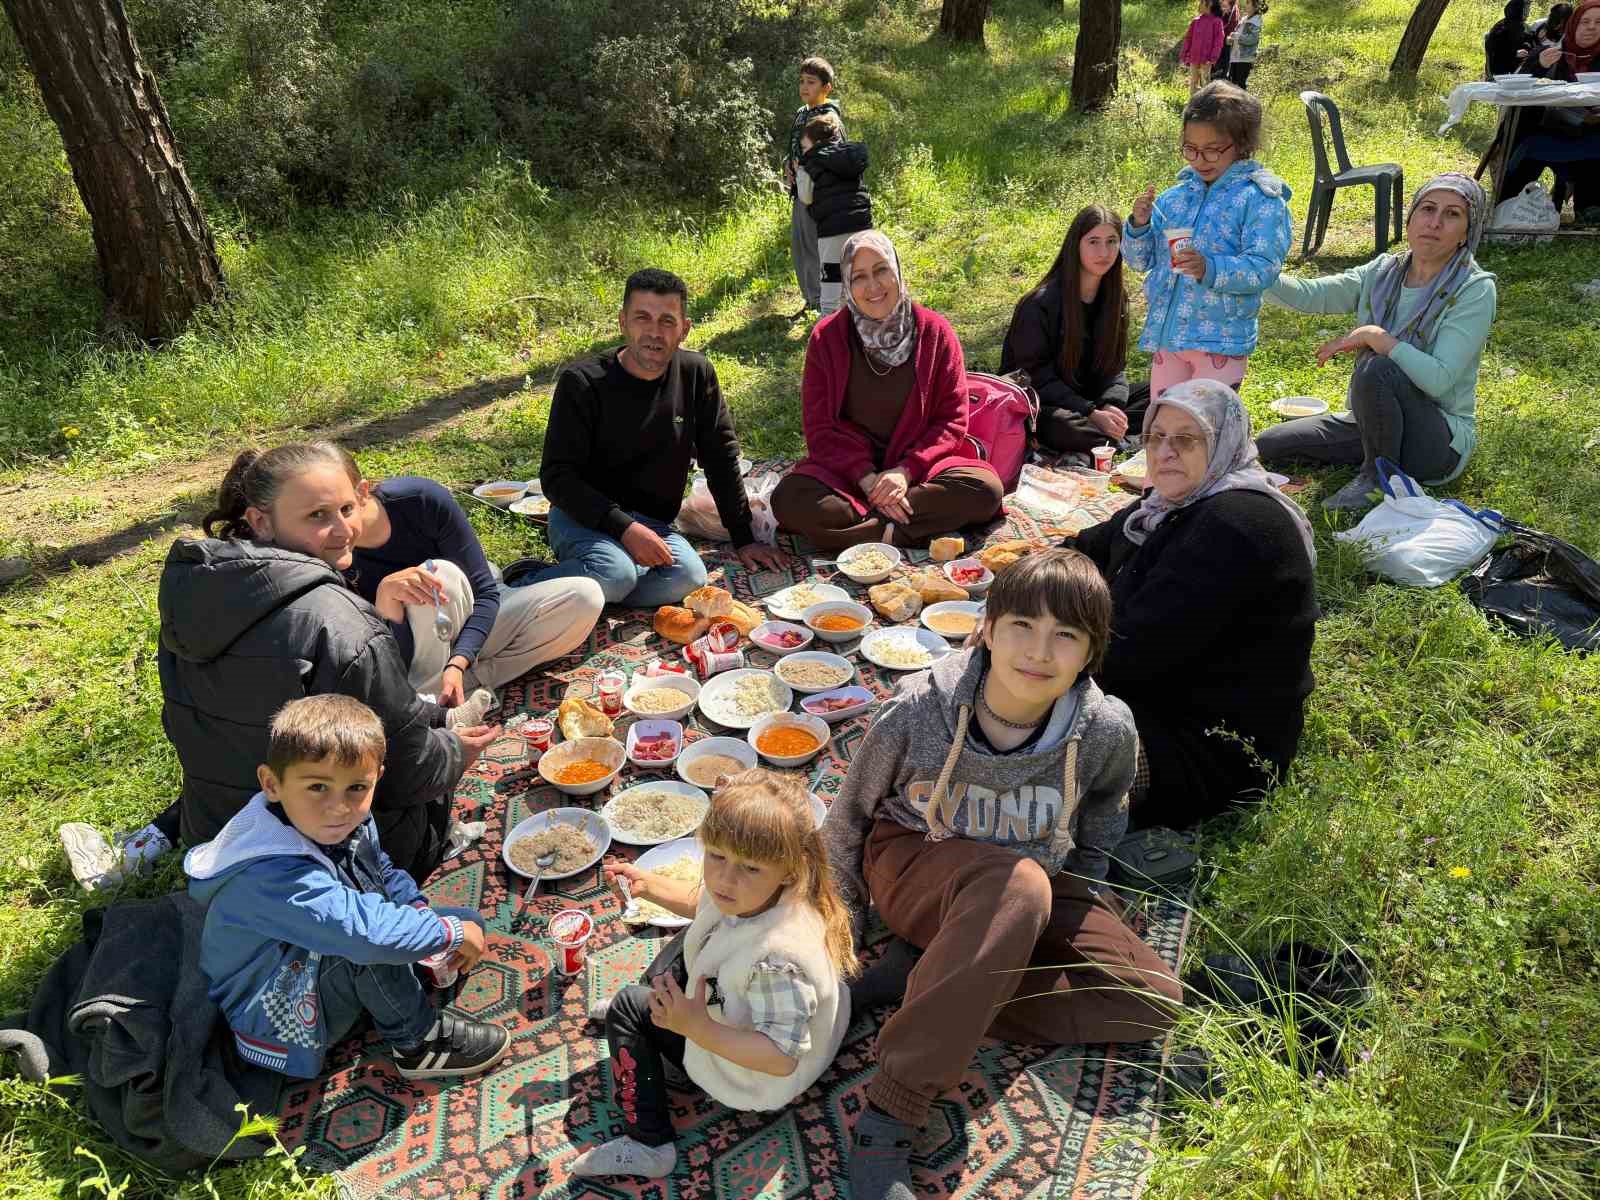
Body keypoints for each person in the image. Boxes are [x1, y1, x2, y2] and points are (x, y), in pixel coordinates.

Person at [820, 549, 1182, 1200]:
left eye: (1065, 636)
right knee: (1017, 886)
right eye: (1022, 625)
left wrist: (1089, 886)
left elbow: (1106, 805)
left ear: (1089, 653)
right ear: (986, 627)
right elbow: (849, 813)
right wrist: (843, 923)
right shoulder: (919, 708)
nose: (1039, 651)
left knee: (1152, 1000)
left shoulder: (1104, 728)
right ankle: (891, 1111)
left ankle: (927, 978)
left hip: (1029, 887)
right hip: (915, 863)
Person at [159, 442, 498, 880]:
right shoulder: (339, 621)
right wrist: (455, 752)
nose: (341, 530)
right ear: (260, 522)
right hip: (323, 857)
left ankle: (437, 719)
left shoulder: (190, 602)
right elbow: (409, 775)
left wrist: (433, 718)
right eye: (317, 516)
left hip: (218, 840)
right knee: (425, 782)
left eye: (345, 509)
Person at [185, 695, 510, 1081]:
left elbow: (382, 871)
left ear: (376, 778)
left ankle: (391, 989)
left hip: (317, 952)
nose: (339, 807)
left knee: (462, 921)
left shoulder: (343, 820)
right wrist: (445, 933)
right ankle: (418, 1044)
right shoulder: (271, 871)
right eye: (318, 787)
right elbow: (363, 934)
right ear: (272, 783)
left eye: (357, 787)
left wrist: (419, 911)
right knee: (371, 946)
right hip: (277, 1009)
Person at [573, 770, 857, 1179]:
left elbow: (780, 1058)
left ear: (790, 870)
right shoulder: (762, 894)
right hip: (739, 1007)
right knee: (688, 949)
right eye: (716, 856)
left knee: (629, 1007)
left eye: (749, 868)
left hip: (754, 1072)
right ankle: (661, 1011)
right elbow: (704, 904)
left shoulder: (779, 959)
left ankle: (650, 1145)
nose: (725, 878)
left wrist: (699, 1029)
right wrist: (649, 885)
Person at [1069, 381, 1317, 830]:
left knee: (1024, 750)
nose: (1165, 452)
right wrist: (1017, 597)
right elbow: (1083, 549)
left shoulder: (1236, 526)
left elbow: (1129, 658)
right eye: (1156, 437)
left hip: (1210, 746)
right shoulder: (1167, 505)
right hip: (1152, 699)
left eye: (1186, 439)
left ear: (1223, 441)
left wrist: (1026, 648)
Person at [532, 268, 787, 606]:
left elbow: (721, 457)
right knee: (616, 574)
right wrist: (624, 529)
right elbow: (556, 478)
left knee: (689, 577)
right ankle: (525, 584)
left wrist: (744, 538)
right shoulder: (583, 383)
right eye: (642, 318)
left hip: (654, 522)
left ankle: (594, 590)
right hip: (584, 517)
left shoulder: (696, 374)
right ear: (623, 322)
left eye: (667, 321)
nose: (654, 333)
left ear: (684, 329)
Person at [1255, 174, 1496, 510]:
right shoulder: (1383, 272)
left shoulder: (1474, 289)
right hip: (1374, 420)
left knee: (1378, 369)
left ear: (1467, 233)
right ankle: (1377, 452)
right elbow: (1312, 296)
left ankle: (1377, 478)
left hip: (1437, 445)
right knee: (1268, 444)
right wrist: (1252, 271)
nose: (1435, 222)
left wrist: (1375, 336)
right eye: (1427, 209)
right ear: (1411, 219)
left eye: (1453, 214)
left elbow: (1439, 381)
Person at [770, 231, 1004, 551]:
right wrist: (866, 479)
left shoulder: (935, 331)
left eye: (881, 270)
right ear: (848, 286)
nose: (873, 286)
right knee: (789, 500)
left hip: (918, 474)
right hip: (850, 478)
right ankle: (900, 530)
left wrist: (905, 472)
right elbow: (819, 428)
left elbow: (952, 420)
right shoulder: (827, 338)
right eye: (860, 277)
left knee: (985, 490)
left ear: (897, 270)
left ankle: (868, 534)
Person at [341, 454, 602, 708]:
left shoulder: (419, 500)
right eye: (314, 515)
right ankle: (431, 705)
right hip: (409, 653)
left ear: (362, 492)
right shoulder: (313, 556)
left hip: (467, 618)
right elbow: (375, 660)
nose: (332, 528)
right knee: (441, 574)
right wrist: (386, 603)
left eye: (344, 508)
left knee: (585, 597)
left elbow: (486, 595)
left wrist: (458, 662)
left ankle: (458, 687)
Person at [1124, 82, 1293, 401]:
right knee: (1167, 419)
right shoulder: (1175, 199)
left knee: (1208, 426)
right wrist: (1139, 226)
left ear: (1242, 145)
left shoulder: (1258, 199)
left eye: (1213, 149)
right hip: (1170, 339)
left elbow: (1263, 268)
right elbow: (1139, 261)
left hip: (1221, 340)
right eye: (1191, 148)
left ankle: (1233, 452)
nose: (1200, 159)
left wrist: (1210, 268)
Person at [1000, 203, 1147, 456]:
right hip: (1042, 404)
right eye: (1093, 242)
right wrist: (1090, 411)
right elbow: (1034, 377)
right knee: (1065, 427)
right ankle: (1120, 443)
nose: (1104, 251)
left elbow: (1115, 367)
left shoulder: (1116, 299)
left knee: (1160, 396)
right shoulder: (1039, 303)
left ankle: (1109, 440)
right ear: (1075, 245)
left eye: (1112, 241)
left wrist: (1111, 405)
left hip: (1091, 401)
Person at [1505, 0, 1600, 220]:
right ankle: (1511, 207)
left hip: (1593, 133)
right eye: (1585, 21)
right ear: (1573, 24)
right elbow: (1515, 86)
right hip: (1547, 130)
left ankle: (1589, 209)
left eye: (1598, 22)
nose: (1592, 27)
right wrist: (1538, 64)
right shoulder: (1551, 52)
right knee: (1530, 147)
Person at [795, 112, 872, 317]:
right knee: (861, 272)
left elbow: (806, 197)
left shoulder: (810, 163)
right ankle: (866, 319)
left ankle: (827, 323)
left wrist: (799, 172)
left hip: (832, 230)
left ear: (816, 143)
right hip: (861, 224)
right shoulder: (849, 156)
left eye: (804, 146)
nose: (804, 151)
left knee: (831, 277)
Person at [784, 57, 843, 320]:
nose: (805, 87)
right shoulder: (801, 113)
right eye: (802, 81)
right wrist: (788, 164)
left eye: (811, 82)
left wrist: (808, 166)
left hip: (820, 193)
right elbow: (795, 145)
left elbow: (834, 154)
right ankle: (810, 300)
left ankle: (823, 301)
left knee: (819, 246)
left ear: (826, 87)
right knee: (801, 245)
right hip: (800, 190)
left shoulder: (829, 115)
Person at [1180, 0, 1226, 94]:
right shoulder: (1195, 21)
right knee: (1193, 82)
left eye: (1201, 2)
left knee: (1206, 84)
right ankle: (1193, 104)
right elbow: (1188, 39)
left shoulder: (1217, 22)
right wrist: (1184, 54)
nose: (1199, 5)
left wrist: (1213, 57)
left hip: (1207, 60)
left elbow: (1219, 42)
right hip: (1194, 58)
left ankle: (1206, 106)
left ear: (1209, 4)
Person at [1487, 0, 1532, 75]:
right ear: (1518, 10)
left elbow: (1527, 42)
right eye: (1526, 9)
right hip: (1502, 72)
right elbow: (1496, 51)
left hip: (1517, 68)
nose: (1528, 13)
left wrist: (1527, 47)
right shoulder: (1502, 28)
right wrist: (1515, 53)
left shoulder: (1522, 26)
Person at [1229, 0, 1267, 89]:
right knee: (1232, 84)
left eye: (1248, 3)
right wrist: (1231, 39)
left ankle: (1242, 103)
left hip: (1245, 58)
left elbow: (1252, 39)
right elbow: (1238, 35)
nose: (1245, 5)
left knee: (1240, 85)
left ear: (1256, 6)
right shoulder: (1244, 18)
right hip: (1235, 56)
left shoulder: (1256, 20)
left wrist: (1237, 36)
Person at [1212, 0, 1241, 80]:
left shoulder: (1233, 9)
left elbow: (1233, 24)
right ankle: (1216, 72)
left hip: (1226, 38)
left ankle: (1222, 74)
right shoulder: (1217, 5)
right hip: (1218, 38)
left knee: (1225, 56)